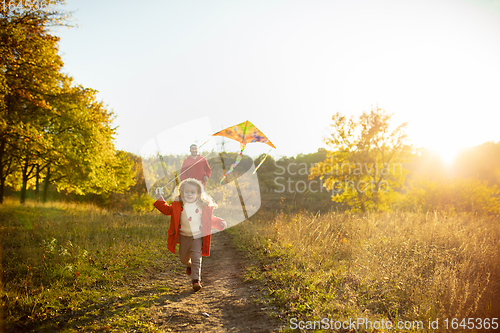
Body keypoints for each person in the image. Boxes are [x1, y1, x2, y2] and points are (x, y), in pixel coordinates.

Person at [154, 178, 226, 291]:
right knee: (183, 259)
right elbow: (166, 210)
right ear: (182, 193)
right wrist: (159, 198)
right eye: (186, 192)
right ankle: (190, 266)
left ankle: (196, 281)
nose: (189, 194)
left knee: (196, 258)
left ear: (198, 194)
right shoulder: (178, 205)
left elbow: (209, 219)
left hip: (197, 237)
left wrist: (219, 222)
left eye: (193, 192)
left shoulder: (202, 206)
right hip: (183, 237)